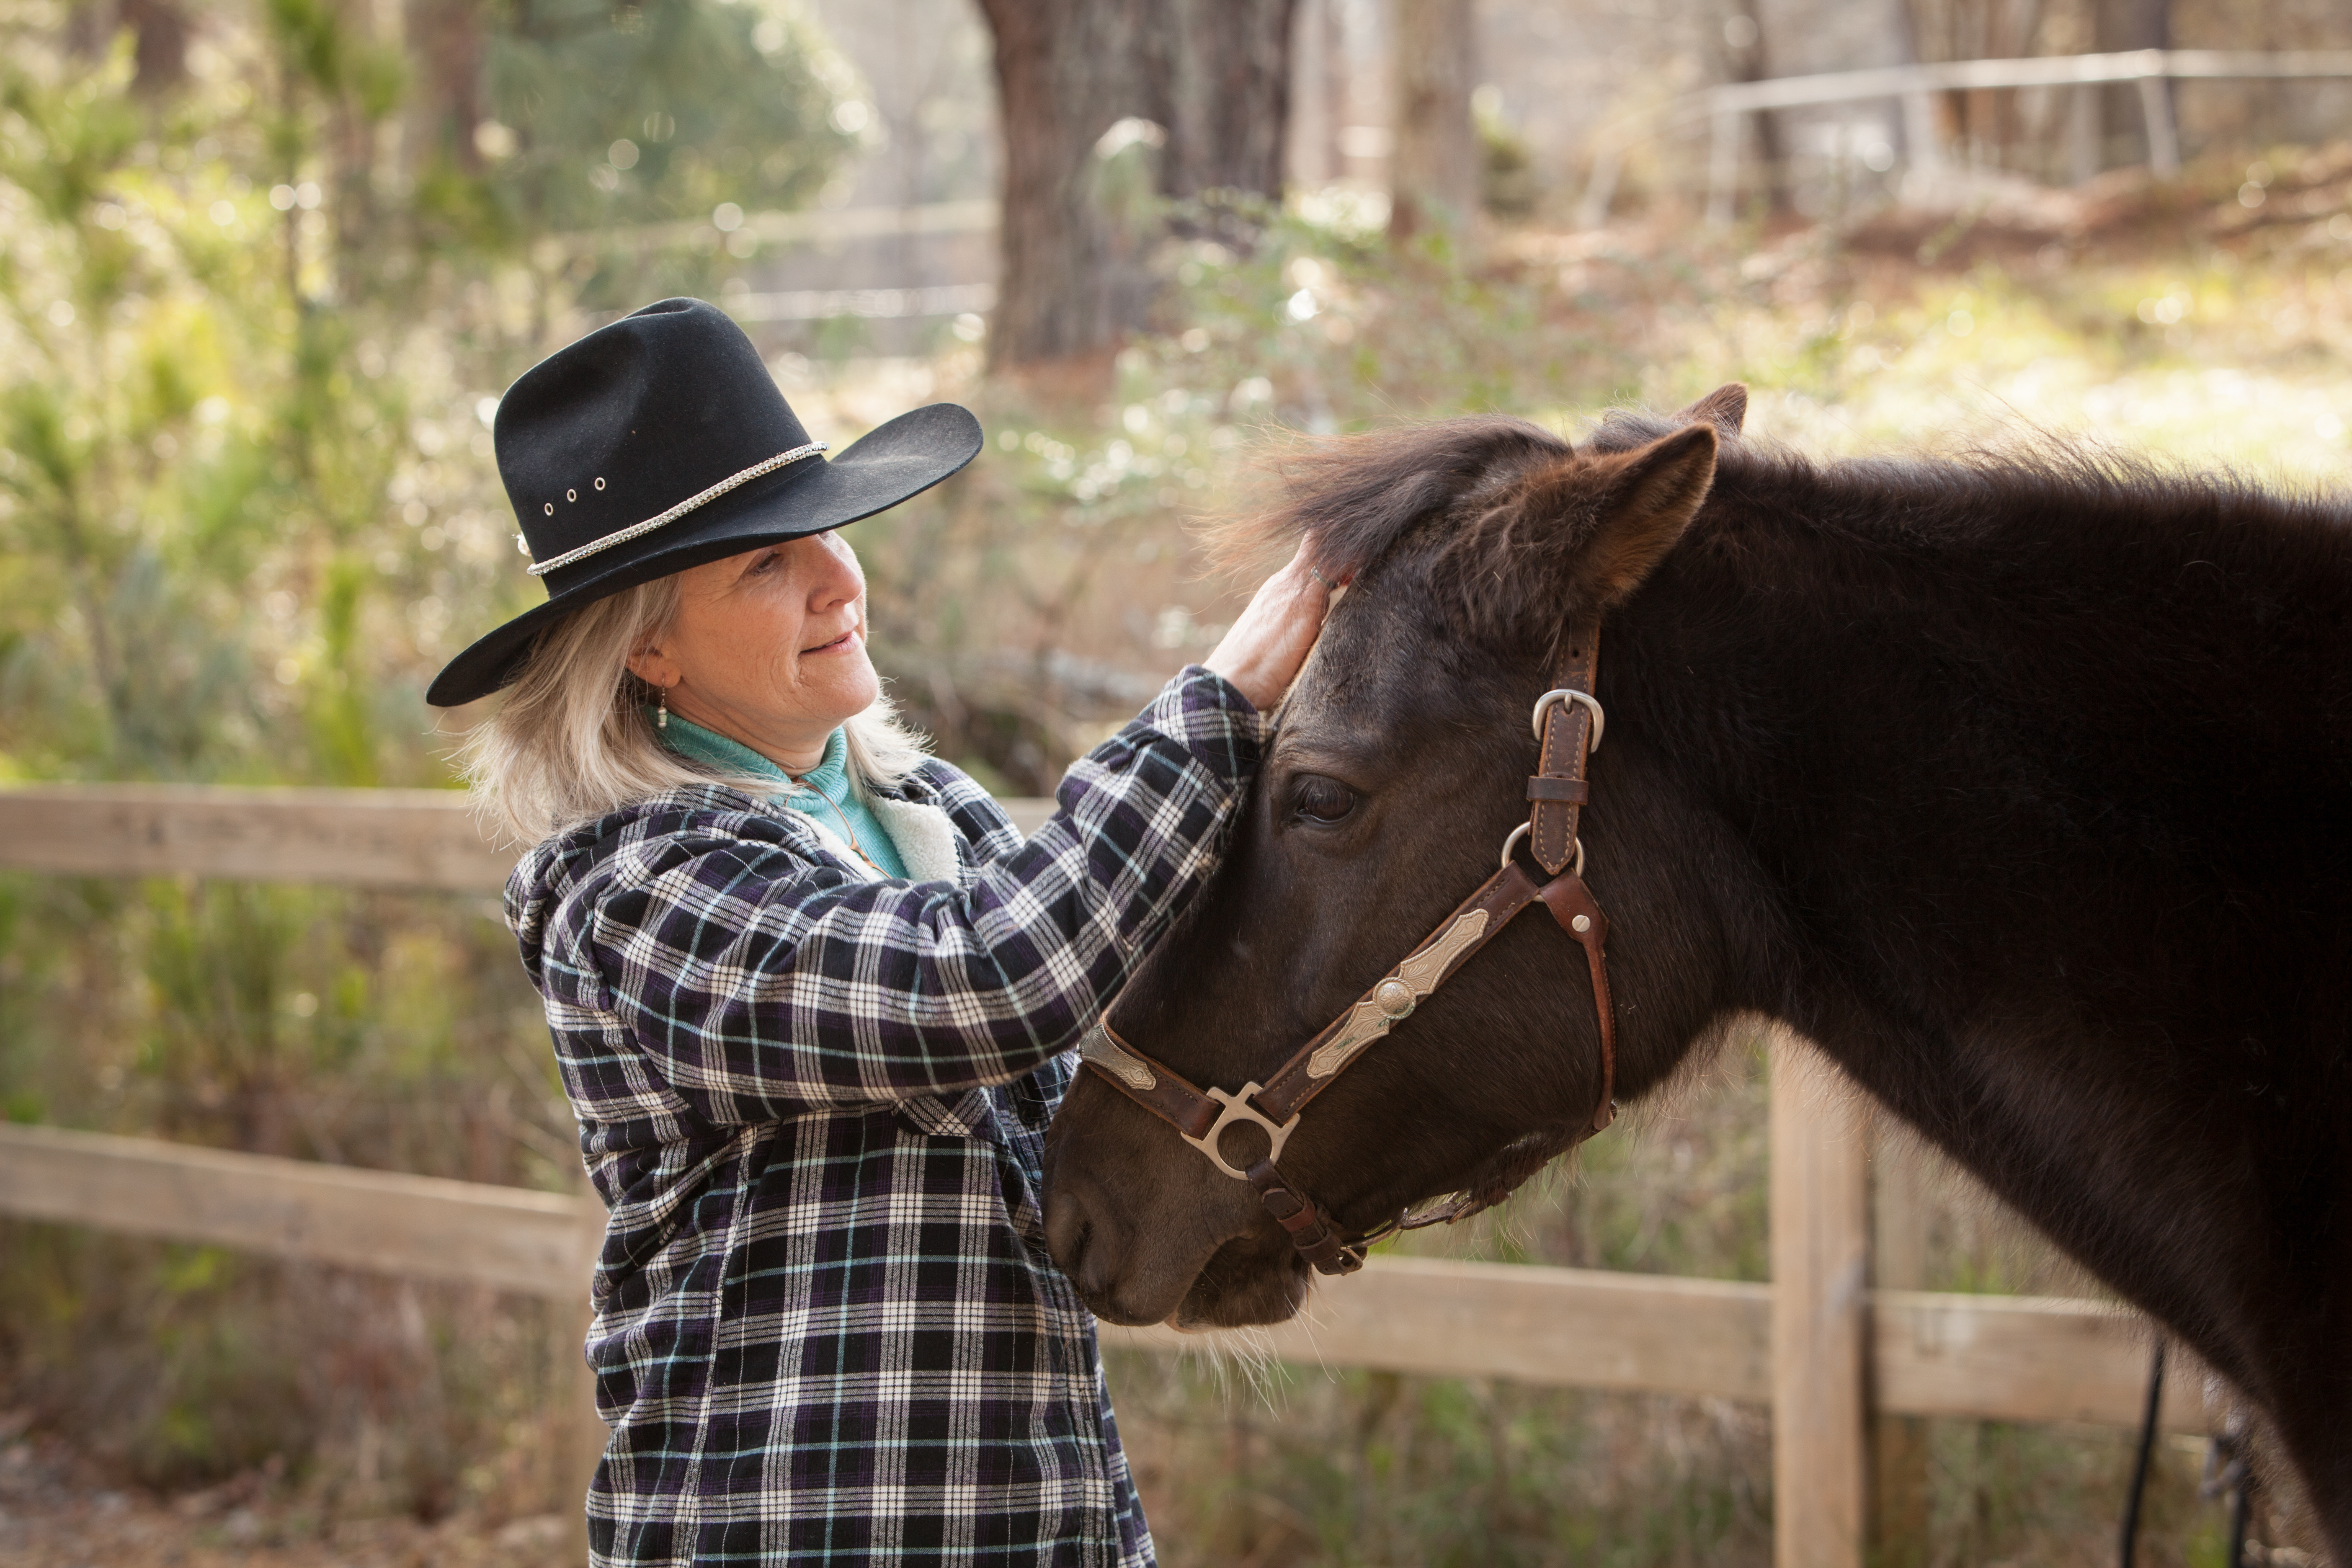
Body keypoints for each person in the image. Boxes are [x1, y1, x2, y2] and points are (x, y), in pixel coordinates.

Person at [427, 297, 1331, 1566]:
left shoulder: (928, 813)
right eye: (765, 563)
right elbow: (984, 979)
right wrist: (1216, 708)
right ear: (650, 653)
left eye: (828, 532)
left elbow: (1107, 1003)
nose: (837, 579)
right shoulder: (631, 890)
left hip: (1042, 1518)